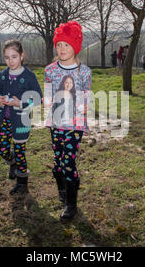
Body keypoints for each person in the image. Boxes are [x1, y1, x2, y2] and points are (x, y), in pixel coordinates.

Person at [44, 21, 92, 222]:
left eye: (67, 44)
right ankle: (62, 190)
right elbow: (47, 95)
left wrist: (80, 105)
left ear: (76, 47)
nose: (62, 49)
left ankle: (71, 204)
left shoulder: (84, 72)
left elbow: (86, 97)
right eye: (59, 45)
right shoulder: (50, 70)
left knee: (68, 162)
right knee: (58, 164)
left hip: (74, 125)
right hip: (56, 123)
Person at [0, 40, 43, 195]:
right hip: (4, 120)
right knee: (2, 149)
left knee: (20, 150)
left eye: (14, 56)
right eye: (7, 57)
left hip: (21, 121)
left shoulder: (29, 76)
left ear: (22, 56)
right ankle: (12, 163)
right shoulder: (3, 75)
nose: (10, 61)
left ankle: (22, 182)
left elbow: (37, 99)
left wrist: (19, 103)